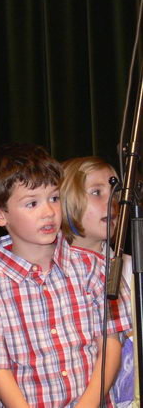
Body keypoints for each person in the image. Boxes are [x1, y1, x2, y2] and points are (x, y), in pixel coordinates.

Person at [0, 143, 132, 407]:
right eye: (32, 203)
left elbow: (110, 344)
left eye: (53, 198)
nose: (48, 211)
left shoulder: (95, 269)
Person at [61, 156, 134, 407]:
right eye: (96, 192)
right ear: (66, 202)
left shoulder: (130, 269)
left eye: (114, 192)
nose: (111, 202)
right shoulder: (55, 272)